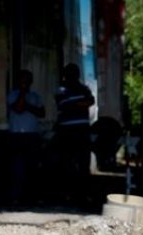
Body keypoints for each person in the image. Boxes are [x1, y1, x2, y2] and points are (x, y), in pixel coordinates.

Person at [7, 69, 45, 205]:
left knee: (33, 167)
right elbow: (17, 108)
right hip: (17, 135)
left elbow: (42, 112)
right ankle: (16, 197)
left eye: (27, 80)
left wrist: (27, 106)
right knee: (17, 167)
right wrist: (23, 94)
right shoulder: (13, 94)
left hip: (32, 135)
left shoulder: (35, 96)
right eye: (23, 80)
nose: (25, 83)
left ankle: (32, 196)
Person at [54, 63, 95, 189]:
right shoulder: (61, 89)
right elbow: (63, 105)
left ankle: (82, 191)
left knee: (83, 161)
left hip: (82, 129)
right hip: (66, 130)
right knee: (67, 160)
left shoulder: (84, 88)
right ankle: (68, 190)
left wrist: (74, 103)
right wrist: (80, 103)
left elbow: (90, 101)